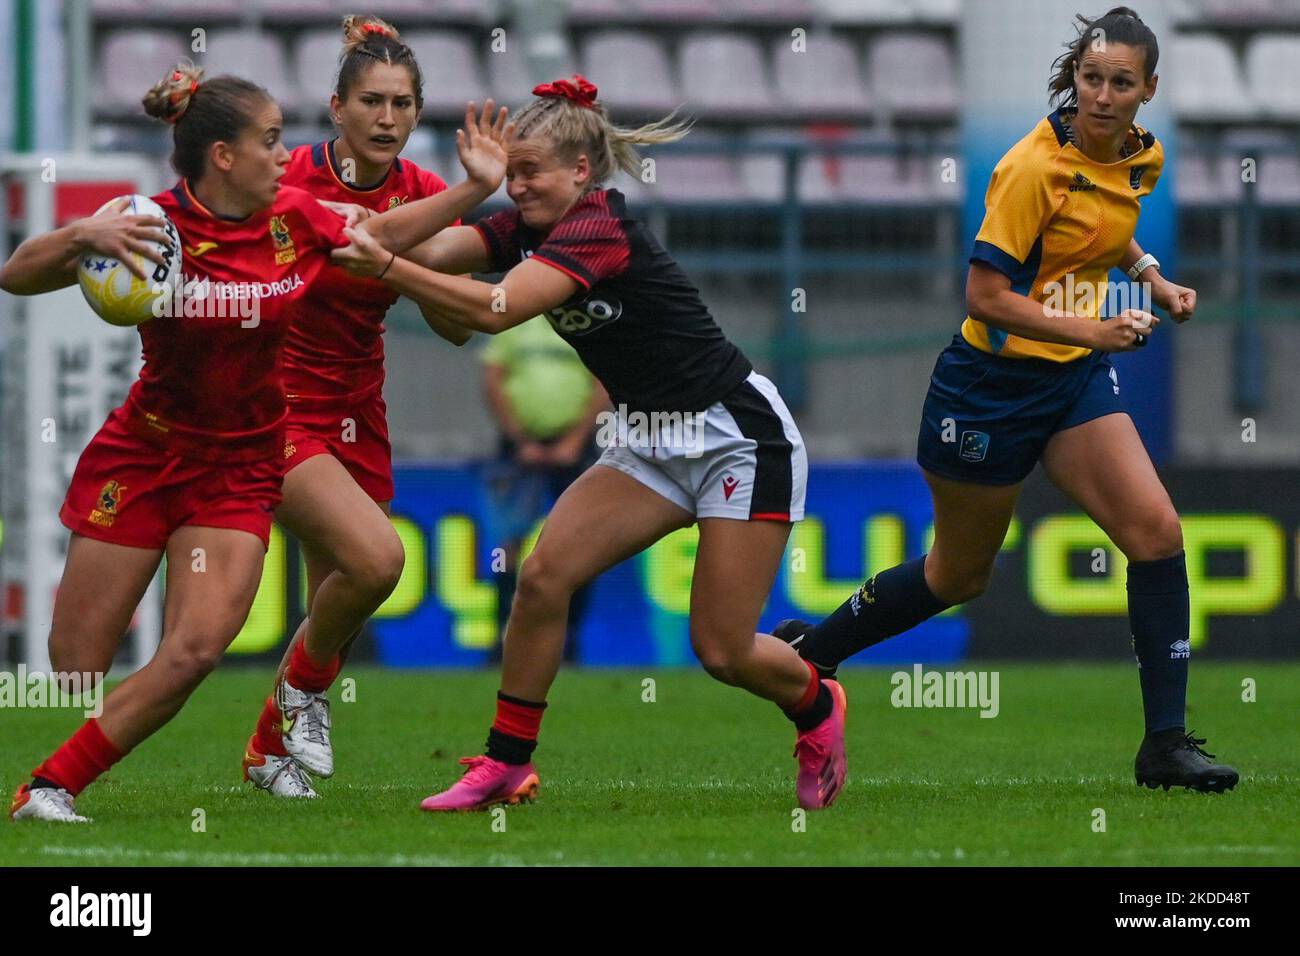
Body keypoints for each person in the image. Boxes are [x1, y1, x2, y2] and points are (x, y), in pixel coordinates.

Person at [4, 60, 507, 823]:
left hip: (243, 464)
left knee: (196, 648)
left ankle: (48, 787)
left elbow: (378, 235)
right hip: (146, 453)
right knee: (73, 669)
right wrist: (81, 235)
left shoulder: (295, 218)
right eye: (270, 142)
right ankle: (260, 735)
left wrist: (474, 191)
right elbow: (15, 274)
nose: (285, 155)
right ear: (223, 156)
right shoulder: (149, 227)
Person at [332, 75, 848, 812]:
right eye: (508, 174)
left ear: (581, 171)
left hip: (735, 437)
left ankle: (817, 703)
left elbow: (496, 308)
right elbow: (434, 249)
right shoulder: (524, 225)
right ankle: (508, 764)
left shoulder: (598, 227)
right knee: (543, 580)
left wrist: (383, 265)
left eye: (528, 173)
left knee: (723, 651)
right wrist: (446, 197)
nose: (516, 187)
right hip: (645, 438)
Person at [773, 7, 1238, 793]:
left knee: (1156, 534)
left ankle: (1164, 745)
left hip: (1069, 382)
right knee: (960, 576)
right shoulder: (1030, 167)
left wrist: (1153, 276)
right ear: (1075, 79)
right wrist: (1094, 332)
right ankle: (811, 655)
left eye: (1120, 82)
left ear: (1147, 90)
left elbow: (1102, 228)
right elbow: (985, 296)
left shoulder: (1137, 155)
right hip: (987, 390)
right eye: (1091, 78)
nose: (1101, 95)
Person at [240, 15, 479, 799]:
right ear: (336, 108)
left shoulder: (427, 195)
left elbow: (455, 324)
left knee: (333, 598)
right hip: (271, 401)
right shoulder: (290, 180)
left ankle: (269, 750)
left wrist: (431, 280)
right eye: (371, 101)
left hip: (357, 402)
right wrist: (474, 195)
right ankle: (296, 700)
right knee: (377, 560)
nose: (388, 118)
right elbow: (353, 241)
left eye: (403, 104)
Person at [480, 315, 608, 664]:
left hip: (576, 448)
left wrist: (574, 441)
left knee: (581, 542)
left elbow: (602, 383)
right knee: (508, 541)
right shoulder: (516, 318)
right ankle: (501, 638)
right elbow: (493, 378)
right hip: (519, 449)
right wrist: (519, 438)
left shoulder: (585, 320)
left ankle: (568, 640)